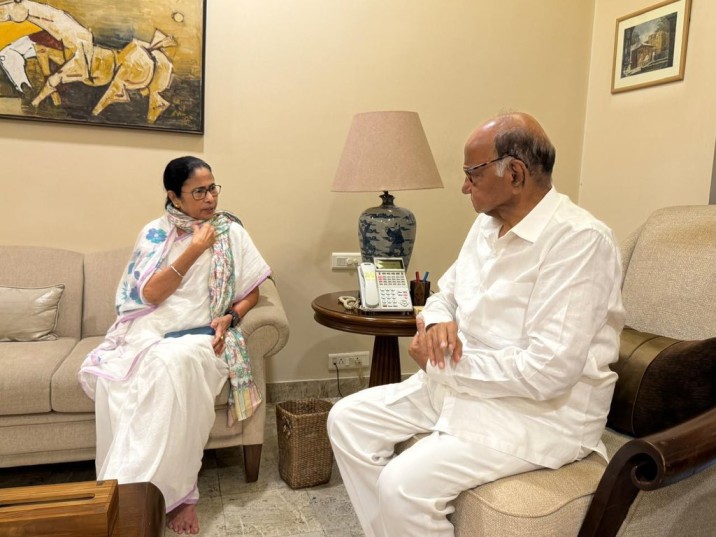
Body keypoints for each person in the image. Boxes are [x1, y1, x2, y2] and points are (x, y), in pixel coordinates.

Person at [327, 112, 625, 537]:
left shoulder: (579, 241)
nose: (464, 185)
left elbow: (548, 372)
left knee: (403, 485)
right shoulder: (486, 226)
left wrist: (443, 364)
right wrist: (436, 324)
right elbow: (444, 293)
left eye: (472, 173)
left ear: (515, 173)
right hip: (463, 385)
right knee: (347, 419)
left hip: (538, 414)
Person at [79, 156, 271, 535]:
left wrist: (231, 316)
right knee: (122, 383)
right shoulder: (155, 232)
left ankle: (160, 497)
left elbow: (253, 293)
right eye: (199, 191)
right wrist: (195, 248)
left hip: (202, 334)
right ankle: (129, 497)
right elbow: (149, 294)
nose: (210, 198)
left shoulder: (231, 231)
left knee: (173, 365)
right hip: (152, 329)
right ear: (174, 197)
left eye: (213, 188)